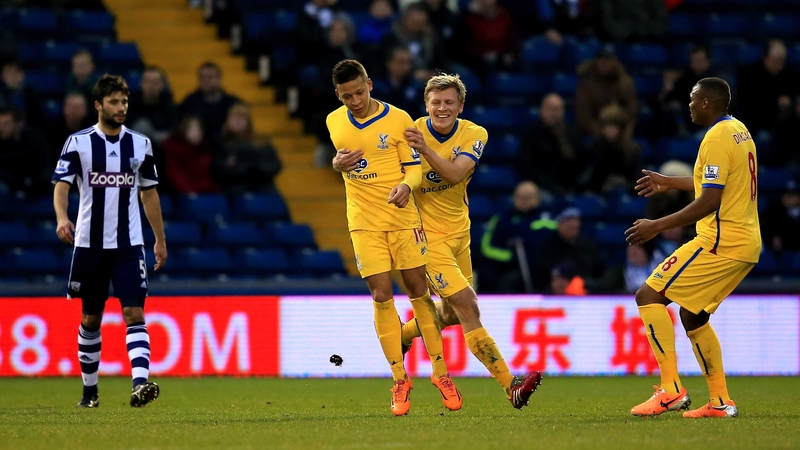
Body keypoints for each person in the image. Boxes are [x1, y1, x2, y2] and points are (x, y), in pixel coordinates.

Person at [335, 73, 542, 409]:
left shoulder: (474, 133)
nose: (442, 108)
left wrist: (424, 148)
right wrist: (340, 164)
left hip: (460, 233)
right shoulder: (405, 129)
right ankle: (511, 385)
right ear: (426, 104)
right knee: (469, 306)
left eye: (449, 102)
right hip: (425, 239)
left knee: (450, 314)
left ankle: (402, 335)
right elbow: (369, 162)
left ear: (460, 106)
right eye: (436, 102)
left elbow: (456, 174)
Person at [325, 60, 459, 416]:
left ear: (369, 83)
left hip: (402, 219)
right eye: (345, 96)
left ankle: (441, 372)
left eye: (358, 92)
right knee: (381, 295)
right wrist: (336, 165)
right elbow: (341, 162)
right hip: (363, 221)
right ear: (337, 95)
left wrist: (405, 185)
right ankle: (400, 379)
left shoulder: (398, 119)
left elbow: (414, 169)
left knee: (418, 291)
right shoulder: (334, 121)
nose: (354, 101)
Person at [625, 77, 760, 418]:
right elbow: (714, 182)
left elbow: (709, 201)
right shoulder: (738, 131)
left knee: (649, 294)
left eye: (692, 99)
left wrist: (656, 225)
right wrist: (669, 182)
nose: (688, 105)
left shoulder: (714, 138)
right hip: (745, 242)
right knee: (693, 314)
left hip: (719, 242)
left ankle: (670, 391)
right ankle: (720, 402)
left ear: (705, 103)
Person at [51, 74, 167, 409]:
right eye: (114, 102)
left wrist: (159, 240)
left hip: (129, 246)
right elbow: (62, 185)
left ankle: (140, 384)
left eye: (125, 102)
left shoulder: (140, 144)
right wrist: (62, 218)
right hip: (89, 245)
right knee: (91, 317)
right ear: (98, 105)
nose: (121, 108)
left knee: (134, 312)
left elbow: (149, 194)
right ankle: (90, 391)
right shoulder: (78, 143)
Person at [212, 102, 282, 194]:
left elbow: (275, 165)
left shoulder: (261, 143)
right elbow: (217, 170)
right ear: (228, 121)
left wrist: (256, 171)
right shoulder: (220, 144)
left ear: (248, 122)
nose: (238, 122)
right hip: (233, 190)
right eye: (234, 118)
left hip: (262, 188)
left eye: (241, 118)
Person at [178, 62, 240, 140]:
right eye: (202, 77)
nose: (206, 81)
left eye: (210, 77)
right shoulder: (189, 103)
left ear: (219, 78)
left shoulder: (233, 103)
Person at [162, 115, 219, 193]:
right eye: (192, 129)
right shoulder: (173, 150)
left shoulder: (208, 149)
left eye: (199, 129)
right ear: (184, 131)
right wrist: (189, 191)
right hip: (181, 194)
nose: (197, 133)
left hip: (206, 193)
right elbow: (174, 175)